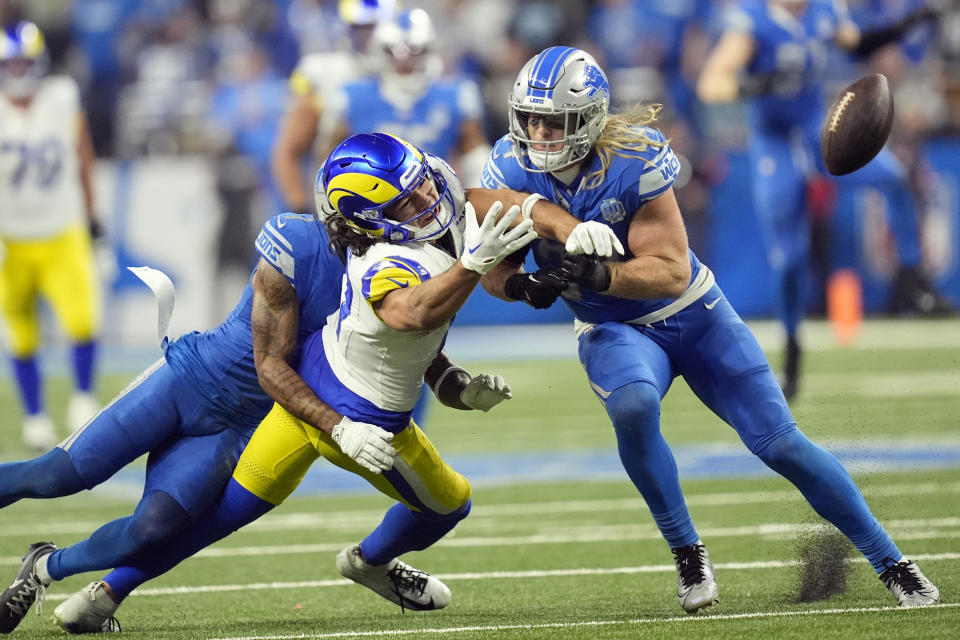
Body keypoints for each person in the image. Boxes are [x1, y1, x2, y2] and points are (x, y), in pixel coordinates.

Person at [479, 46, 941, 613]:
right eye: (530, 119)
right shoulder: (507, 165)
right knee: (632, 408)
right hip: (613, 330)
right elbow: (492, 267)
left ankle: (892, 561)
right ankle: (687, 552)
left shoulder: (634, 157)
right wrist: (522, 288)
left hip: (695, 316)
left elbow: (671, 272)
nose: (539, 133)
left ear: (590, 119)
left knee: (781, 444)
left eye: (554, 121)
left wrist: (600, 272)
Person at [30, 132, 537, 632]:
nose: (429, 201)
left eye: (423, 184)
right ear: (370, 219)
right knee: (451, 504)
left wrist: (457, 385)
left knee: (216, 518)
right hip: (356, 414)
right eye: (408, 201)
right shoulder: (386, 259)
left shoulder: (407, 235)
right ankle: (370, 562)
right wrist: (472, 264)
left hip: (309, 389)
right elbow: (412, 314)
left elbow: (416, 349)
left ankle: (103, 592)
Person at [695, 0, 947, 399]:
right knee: (789, 257)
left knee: (896, 178)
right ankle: (792, 352)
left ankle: (911, 280)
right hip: (774, 141)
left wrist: (902, 28)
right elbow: (711, 84)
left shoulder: (823, 11)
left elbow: (859, 45)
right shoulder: (754, 21)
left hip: (820, 134)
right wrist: (754, 84)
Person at [0, 20, 104, 449]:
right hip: (10, 238)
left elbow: (83, 156)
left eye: (26, 62)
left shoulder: (61, 97)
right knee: (19, 331)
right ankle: (35, 415)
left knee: (82, 319)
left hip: (62, 229)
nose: (20, 71)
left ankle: (83, 396)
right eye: (13, 64)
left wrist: (95, 223)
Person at [325, 8, 491, 187]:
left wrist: (472, 198)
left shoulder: (456, 94)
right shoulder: (352, 96)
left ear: (429, 50)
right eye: (392, 51)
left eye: (414, 51)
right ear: (379, 51)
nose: (403, 61)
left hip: (436, 197)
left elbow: (475, 157)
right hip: (370, 197)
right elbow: (331, 159)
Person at [271, 0, 397, 215]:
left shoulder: (427, 76)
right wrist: (302, 209)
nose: (370, 35)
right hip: (343, 207)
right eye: (360, 27)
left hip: (407, 201)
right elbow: (287, 153)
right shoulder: (324, 74)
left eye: (375, 26)